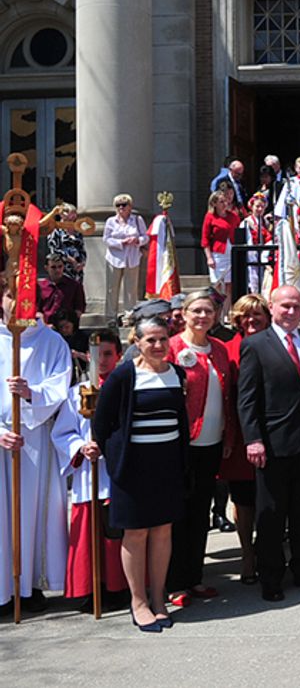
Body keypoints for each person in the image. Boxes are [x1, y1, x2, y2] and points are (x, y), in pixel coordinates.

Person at [92, 316, 189, 632]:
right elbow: (102, 423)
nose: (158, 346)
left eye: (163, 339)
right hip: (133, 467)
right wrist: (115, 458)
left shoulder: (177, 374)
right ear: (137, 342)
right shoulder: (124, 376)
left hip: (168, 465)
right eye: (151, 340)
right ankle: (138, 601)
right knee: (136, 533)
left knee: (163, 531)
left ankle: (159, 598)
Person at [236, 286, 300, 602]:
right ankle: (271, 577)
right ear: (272, 307)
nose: (290, 311)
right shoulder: (255, 345)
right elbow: (246, 399)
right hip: (271, 447)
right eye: (284, 306)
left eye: (296, 306)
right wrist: (253, 440)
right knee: (271, 515)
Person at [0, 295, 74, 616]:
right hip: (1, 436)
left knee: (30, 513)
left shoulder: (52, 341)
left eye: (23, 296)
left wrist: (31, 394)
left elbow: (59, 387)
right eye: (10, 295)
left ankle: (27, 586)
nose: (16, 303)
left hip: (34, 438)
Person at [164, 290, 237, 607]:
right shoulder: (171, 348)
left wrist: (229, 436)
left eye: (208, 311)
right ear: (184, 313)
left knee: (200, 515)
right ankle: (173, 582)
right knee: (179, 515)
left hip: (212, 443)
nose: (203, 317)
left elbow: (227, 397)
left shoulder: (219, 349)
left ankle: (194, 577)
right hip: (182, 445)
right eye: (197, 311)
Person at [50, 330, 129, 612]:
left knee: (116, 533)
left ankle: (118, 587)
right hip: (90, 473)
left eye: (108, 353)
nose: (103, 360)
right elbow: (62, 433)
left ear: (118, 355)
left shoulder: (127, 388)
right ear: (87, 356)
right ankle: (90, 588)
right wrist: (81, 447)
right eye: (97, 354)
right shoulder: (77, 393)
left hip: (119, 473)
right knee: (89, 532)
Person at [222, 294, 269, 585]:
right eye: (245, 316)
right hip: (240, 436)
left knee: (270, 497)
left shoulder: (277, 343)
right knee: (243, 498)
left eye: (257, 315)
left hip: (274, 432)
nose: (251, 321)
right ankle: (247, 553)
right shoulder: (228, 350)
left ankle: (268, 552)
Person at [103, 193, 150, 324]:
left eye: (124, 204)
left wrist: (137, 240)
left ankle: (129, 316)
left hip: (132, 257)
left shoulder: (137, 220)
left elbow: (145, 237)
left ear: (130, 206)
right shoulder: (110, 221)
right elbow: (106, 239)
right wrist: (121, 242)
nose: (121, 207)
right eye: (118, 205)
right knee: (112, 288)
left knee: (131, 289)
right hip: (114, 258)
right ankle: (111, 317)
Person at [202, 190, 239, 305]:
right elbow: (205, 239)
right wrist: (209, 257)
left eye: (226, 201)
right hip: (218, 254)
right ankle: (218, 311)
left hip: (231, 253)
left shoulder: (233, 216)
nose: (225, 204)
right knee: (218, 284)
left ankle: (227, 312)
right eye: (221, 202)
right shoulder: (210, 217)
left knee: (229, 285)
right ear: (214, 204)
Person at [37, 252, 86, 321]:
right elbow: (37, 310)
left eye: (60, 266)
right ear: (46, 268)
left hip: (66, 327)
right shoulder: (40, 287)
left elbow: (79, 309)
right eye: (53, 267)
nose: (57, 270)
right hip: (46, 326)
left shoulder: (74, 286)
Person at [47, 202, 88, 283]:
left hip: (77, 269)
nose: (73, 215)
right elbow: (55, 249)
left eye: (74, 213)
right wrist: (71, 260)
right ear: (63, 215)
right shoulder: (56, 230)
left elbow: (81, 247)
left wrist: (82, 262)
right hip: (62, 267)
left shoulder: (77, 230)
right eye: (71, 213)